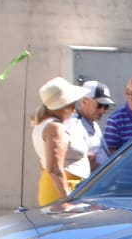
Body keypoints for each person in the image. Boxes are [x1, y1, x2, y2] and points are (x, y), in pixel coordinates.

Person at [30, 76, 90, 205]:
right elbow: (55, 169)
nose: (74, 108)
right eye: (72, 103)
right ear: (63, 105)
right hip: (63, 190)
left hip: (63, 187)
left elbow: (44, 162)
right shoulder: (54, 128)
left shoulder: (44, 124)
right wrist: (68, 199)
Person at [75, 80, 115, 169]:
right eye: (100, 105)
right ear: (85, 101)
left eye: (106, 106)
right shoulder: (75, 124)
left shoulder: (93, 122)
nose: (102, 110)